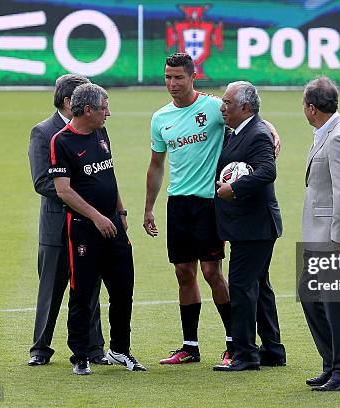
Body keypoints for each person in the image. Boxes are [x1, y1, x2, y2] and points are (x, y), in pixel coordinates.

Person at [144, 53, 280, 366]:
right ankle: (190, 346)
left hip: (209, 202)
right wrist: (149, 207)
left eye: (179, 77)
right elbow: (155, 165)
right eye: (168, 77)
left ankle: (234, 343)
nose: (172, 83)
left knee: (211, 272)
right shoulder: (160, 118)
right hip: (178, 202)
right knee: (183, 272)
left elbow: (248, 115)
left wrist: (274, 131)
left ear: (193, 77)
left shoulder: (212, 106)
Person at [49, 83, 145, 375]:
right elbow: (63, 191)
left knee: (123, 289)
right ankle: (80, 355)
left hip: (113, 225)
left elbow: (108, 174)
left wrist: (120, 211)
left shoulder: (101, 132)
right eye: (105, 108)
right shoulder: (61, 141)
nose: (109, 113)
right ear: (87, 110)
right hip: (83, 230)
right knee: (82, 293)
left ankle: (120, 350)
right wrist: (96, 218)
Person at [27, 74, 108, 366]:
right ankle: (40, 349)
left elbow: (103, 171)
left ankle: (95, 348)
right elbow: (42, 183)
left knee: (90, 287)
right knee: (50, 287)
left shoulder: (97, 128)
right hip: (57, 225)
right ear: (67, 101)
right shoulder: (43, 132)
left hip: (88, 225)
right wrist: (79, 195)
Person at [212, 81, 286, 372]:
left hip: (254, 228)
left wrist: (235, 188)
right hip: (250, 226)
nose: (222, 108)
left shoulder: (256, 134)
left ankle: (245, 354)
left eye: (228, 103)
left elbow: (268, 171)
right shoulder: (241, 131)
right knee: (260, 286)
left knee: (242, 287)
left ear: (244, 108)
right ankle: (272, 349)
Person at [298, 77, 340, 391]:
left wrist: (339, 238)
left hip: (333, 237)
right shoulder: (327, 132)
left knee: (335, 302)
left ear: (311, 108)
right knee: (311, 297)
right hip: (320, 233)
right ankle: (332, 363)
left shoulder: (338, 137)